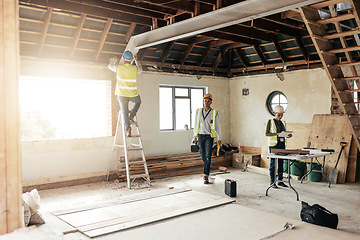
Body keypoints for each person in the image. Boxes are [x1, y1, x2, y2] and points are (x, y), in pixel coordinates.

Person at [108, 50, 142, 137]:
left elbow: (110, 66)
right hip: (132, 94)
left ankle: (128, 128)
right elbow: (140, 70)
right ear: (131, 60)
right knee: (138, 102)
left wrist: (114, 60)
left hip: (122, 95)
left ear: (123, 59)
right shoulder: (134, 69)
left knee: (124, 111)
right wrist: (136, 61)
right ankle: (132, 114)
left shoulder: (118, 68)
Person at [193, 93, 222, 184]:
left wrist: (219, 137)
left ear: (211, 102)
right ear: (203, 101)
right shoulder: (198, 111)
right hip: (200, 136)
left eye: (208, 101)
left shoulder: (214, 113)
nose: (206, 102)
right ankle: (208, 164)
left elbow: (217, 126)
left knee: (208, 155)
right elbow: (195, 124)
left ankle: (206, 175)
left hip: (209, 136)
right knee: (202, 155)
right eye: (205, 100)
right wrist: (194, 136)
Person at [265, 105, 292, 188]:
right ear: (275, 113)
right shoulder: (270, 122)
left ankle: (280, 181)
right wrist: (276, 134)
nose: (280, 116)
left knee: (281, 163)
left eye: (281, 115)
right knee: (273, 163)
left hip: (281, 145)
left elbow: (283, 133)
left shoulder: (282, 122)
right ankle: (272, 182)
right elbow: (267, 133)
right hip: (273, 145)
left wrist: (287, 135)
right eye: (279, 115)